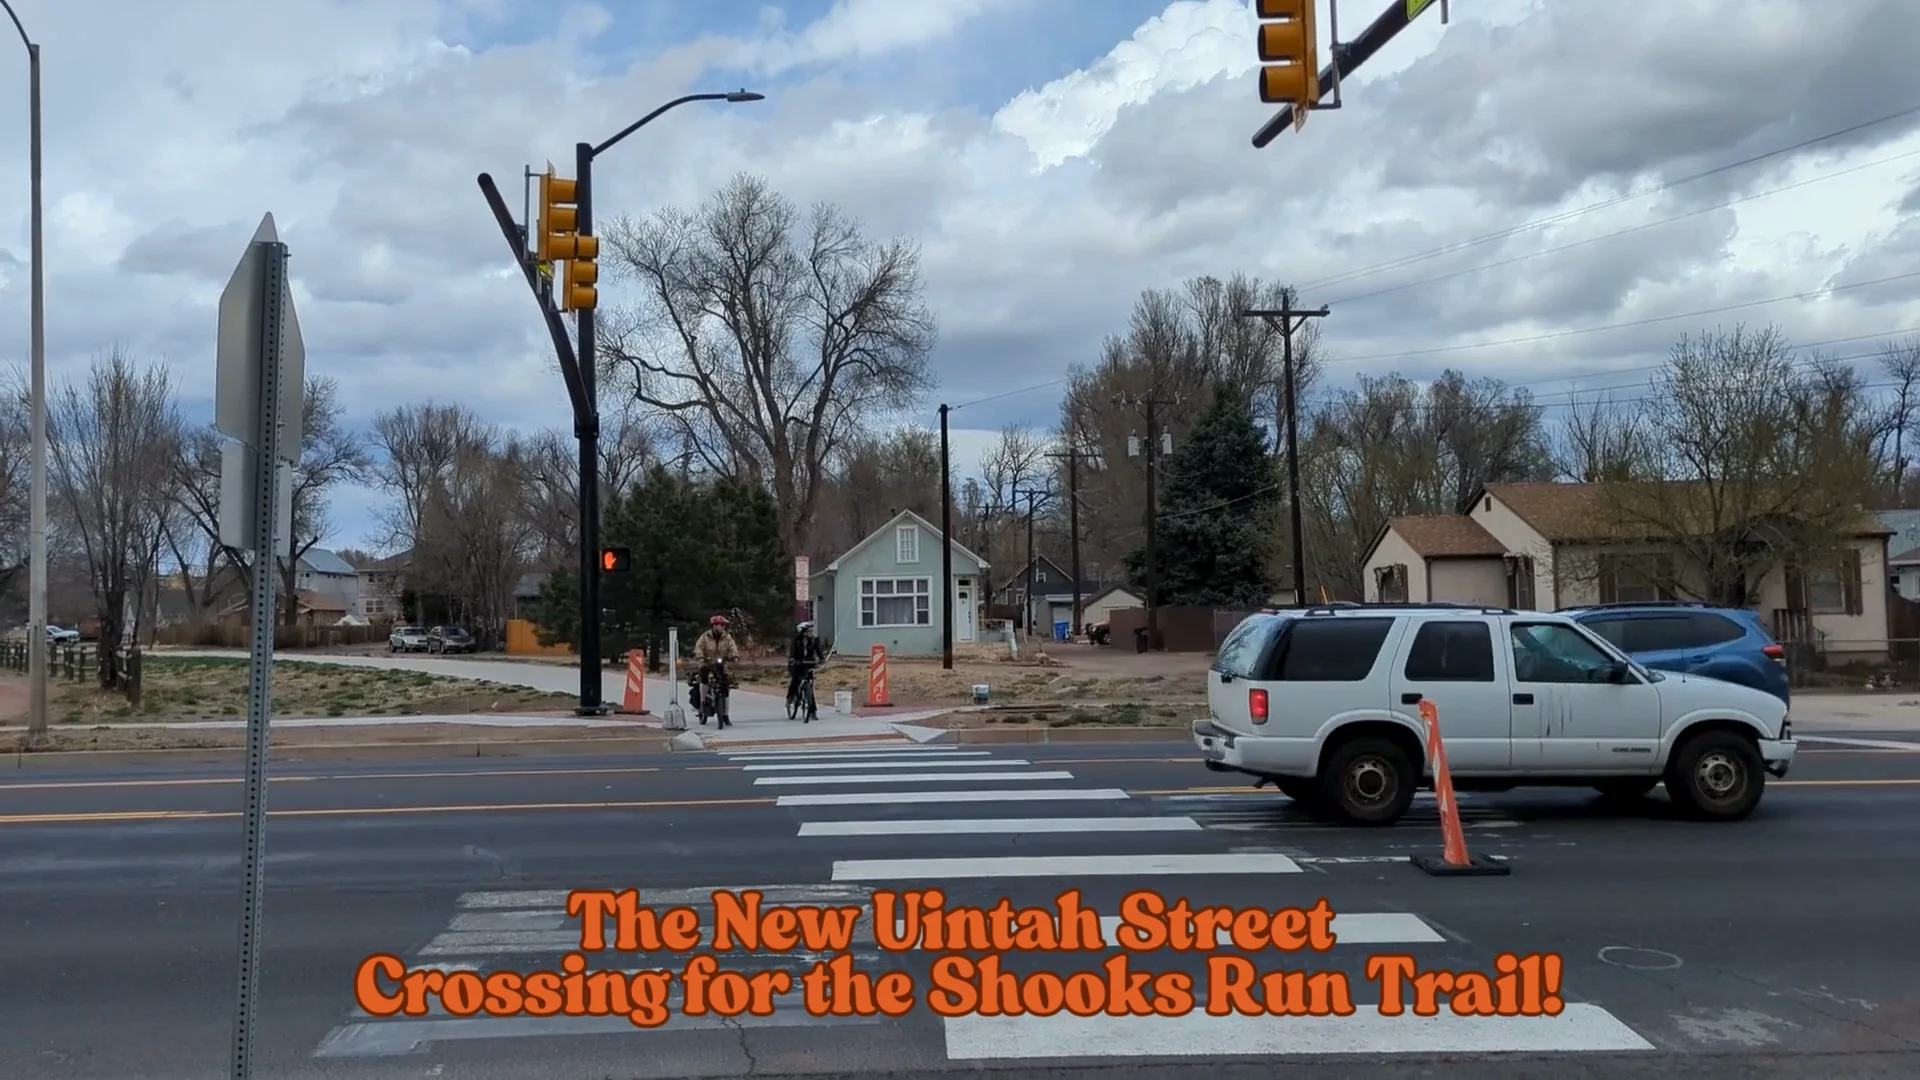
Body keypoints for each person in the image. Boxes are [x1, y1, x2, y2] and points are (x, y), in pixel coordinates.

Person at [692, 614, 740, 726]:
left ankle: (725, 715)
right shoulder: (705, 637)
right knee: (704, 676)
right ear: (714, 625)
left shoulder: (727, 637)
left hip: (721, 663)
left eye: (724, 625)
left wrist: (735, 656)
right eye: (721, 624)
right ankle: (703, 702)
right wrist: (700, 656)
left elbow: (733, 647)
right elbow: (698, 647)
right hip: (707, 662)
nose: (723, 627)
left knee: (726, 687)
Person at [786, 621, 824, 722]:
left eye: (812, 630)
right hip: (797, 664)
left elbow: (819, 652)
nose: (812, 633)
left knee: (809, 689)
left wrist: (821, 659)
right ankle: (790, 697)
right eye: (809, 631)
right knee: (795, 681)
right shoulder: (796, 641)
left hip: (808, 664)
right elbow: (792, 653)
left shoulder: (815, 640)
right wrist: (792, 660)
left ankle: (812, 711)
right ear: (803, 632)